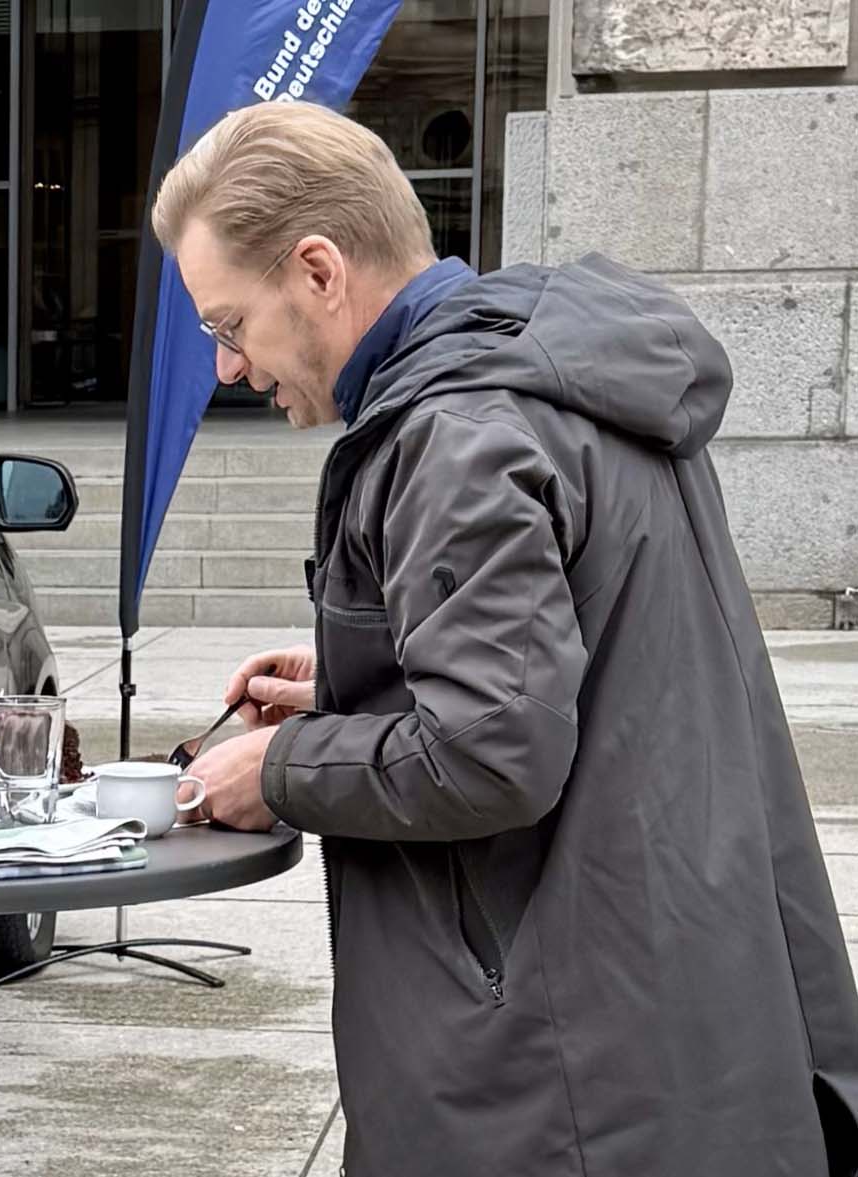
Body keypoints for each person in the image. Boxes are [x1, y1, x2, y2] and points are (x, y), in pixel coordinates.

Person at [153, 100, 858, 1176]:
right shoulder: (554, 380)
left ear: (316, 269)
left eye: (226, 323)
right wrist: (357, 677)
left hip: (557, 1076)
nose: (229, 367)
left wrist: (281, 766)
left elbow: (487, 753)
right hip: (673, 1017)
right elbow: (582, 678)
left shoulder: (457, 432)